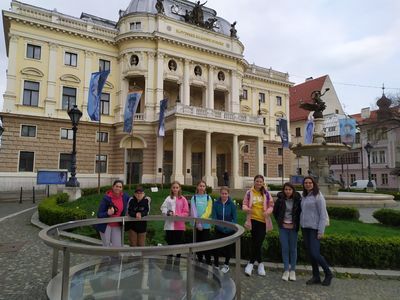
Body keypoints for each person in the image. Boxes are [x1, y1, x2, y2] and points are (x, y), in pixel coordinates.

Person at [300, 176, 333, 286]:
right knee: (311, 254)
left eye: (310, 182)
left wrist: (321, 231)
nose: (308, 184)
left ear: (313, 184)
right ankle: (316, 276)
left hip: (314, 229)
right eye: (306, 183)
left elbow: (323, 215)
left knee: (315, 253)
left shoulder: (318, 196)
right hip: (305, 228)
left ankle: (328, 273)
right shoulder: (304, 196)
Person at [242, 174, 274, 276]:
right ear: (254, 182)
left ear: (263, 183)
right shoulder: (249, 193)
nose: (259, 183)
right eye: (257, 181)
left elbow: (271, 205)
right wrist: (247, 209)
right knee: (255, 242)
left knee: (258, 243)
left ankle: (251, 263)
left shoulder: (266, 193)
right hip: (252, 220)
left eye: (260, 181)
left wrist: (268, 212)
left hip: (263, 221)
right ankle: (260, 264)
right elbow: (244, 204)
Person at [273, 182, 302, 281]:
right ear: (283, 190)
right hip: (283, 227)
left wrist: (296, 223)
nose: (288, 191)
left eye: (289, 189)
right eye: (286, 189)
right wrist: (280, 222)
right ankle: (286, 270)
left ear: (293, 190)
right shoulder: (280, 200)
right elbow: (275, 212)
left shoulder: (297, 200)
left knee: (293, 248)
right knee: (285, 248)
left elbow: (299, 213)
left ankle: (293, 270)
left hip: (293, 227)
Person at [95, 180, 129, 247]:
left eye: (120, 187)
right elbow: (99, 214)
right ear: (113, 187)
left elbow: (133, 200)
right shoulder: (106, 198)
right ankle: (106, 258)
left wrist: (146, 199)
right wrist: (107, 213)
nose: (118, 188)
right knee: (106, 246)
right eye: (116, 186)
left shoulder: (124, 197)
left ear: (122, 189)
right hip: (106, 225)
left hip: (117, 225)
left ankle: (115, 258)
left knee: (117, 246)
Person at [161, 181, 189, 262]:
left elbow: (186, 212)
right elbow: (163, 208)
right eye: (174, 187)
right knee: (170, 243)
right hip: (169, 225)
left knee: (178, 244)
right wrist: (168, 212)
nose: (175, 189)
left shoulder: (183, 199)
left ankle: (178, 261)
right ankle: (169, 261)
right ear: (171, 188)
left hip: (179, 225)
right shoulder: (168, 198)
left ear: (179, 188)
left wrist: (178, 216)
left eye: (177, 187)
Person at [212, 186, 237, 273]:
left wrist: (228, 228)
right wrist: (221, 227)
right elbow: (214, 218)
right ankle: (216, 264)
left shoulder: (232, 204)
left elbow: (235, 218)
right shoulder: (216, 203)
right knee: (216, 247)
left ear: (228, 194)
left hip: (229, 230)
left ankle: (226, 265)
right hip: (218, 229)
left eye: (226, 193)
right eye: (222, 193)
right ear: (220, 193)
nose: (224, 195)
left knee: (228, 248)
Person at [191, 180, 213, 264]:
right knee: (198, 243)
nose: (202, 187)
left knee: (206, 243)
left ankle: (208, 261)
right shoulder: (194, 198)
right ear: (197, 187)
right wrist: (197, 222)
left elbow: (208, 210)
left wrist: (201, 220)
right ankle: (199, 260)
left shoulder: (208, 198)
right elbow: (193, 210)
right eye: (200, 186)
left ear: (205, 188)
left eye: (203, 186)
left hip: (206, 224)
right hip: (196, 224)